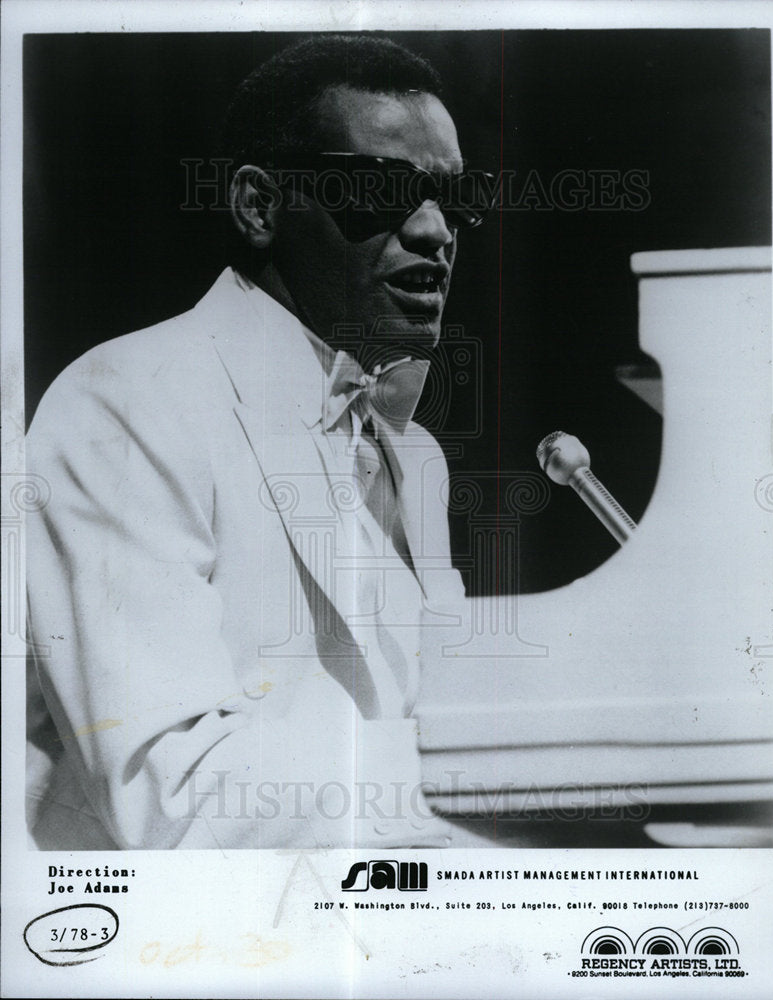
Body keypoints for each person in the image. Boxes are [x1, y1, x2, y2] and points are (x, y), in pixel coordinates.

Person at [25, 35, 496, 850]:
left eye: (458, 200)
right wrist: (477, 811)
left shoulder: (413, 452)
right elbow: (174, 794)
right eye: (384, 189)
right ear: (258, 206)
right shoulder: (128, 400)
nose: (434, 231)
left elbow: (428, 715)